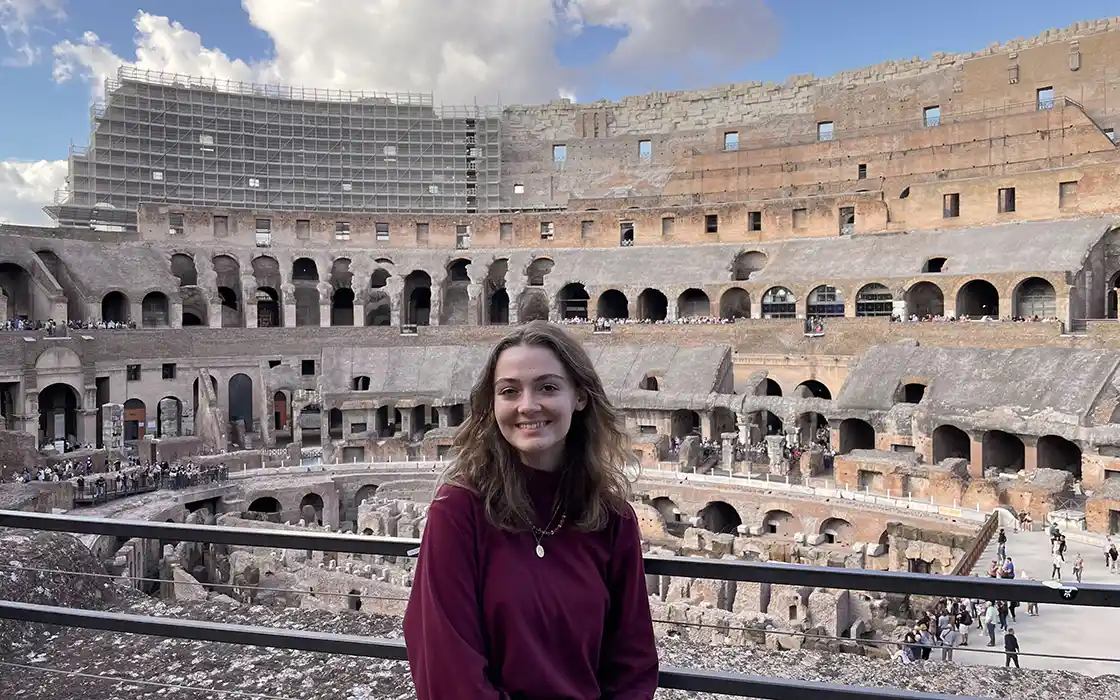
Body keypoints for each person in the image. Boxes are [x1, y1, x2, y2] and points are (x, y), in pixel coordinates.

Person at [403, 321, 659, 700]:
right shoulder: (458, 511)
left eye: (548, 387)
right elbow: (447, 668)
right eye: (509, 391)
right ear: (493, 405)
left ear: (580, 397)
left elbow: (633, 662)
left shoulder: (612, 518)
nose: (527, 405)